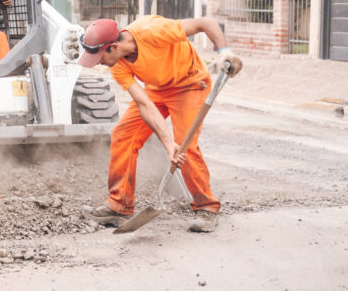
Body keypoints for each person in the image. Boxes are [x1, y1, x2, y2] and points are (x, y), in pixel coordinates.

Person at [79, 15, 243, 233]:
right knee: (124, 134)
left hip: (190, 84)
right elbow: (144, 104)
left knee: (186, 144)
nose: (97, 61)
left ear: (114, 46)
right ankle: (120, 206)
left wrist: (224, 52)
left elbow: (205, 23)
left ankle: (206, 207)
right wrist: (167, 144)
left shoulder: (152, 31)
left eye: (99, 56)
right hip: (157, 90)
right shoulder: (117, 64)